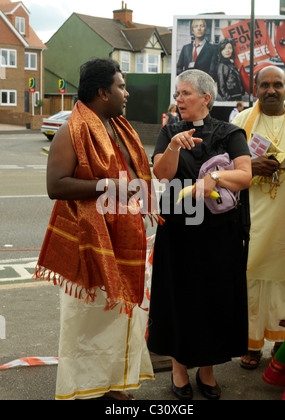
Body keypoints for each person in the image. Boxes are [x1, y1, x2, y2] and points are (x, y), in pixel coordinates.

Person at [34, 58, 158, 400]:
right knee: (87, 321)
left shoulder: (118, 127)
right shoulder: (70, 131)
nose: (126, 93)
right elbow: (56, 186)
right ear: (103, 92)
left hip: (124, 236)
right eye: (121, 86)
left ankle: (113, 384)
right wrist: (111, 187)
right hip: (88, 242)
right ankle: (89, 389)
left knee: (121, 316)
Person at [147, 69, 252, 400]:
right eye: (177, 94)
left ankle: (207, 371)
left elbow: (245, 176)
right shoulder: (169, 131)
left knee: (214, 301)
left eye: (185, 93)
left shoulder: (230, 132)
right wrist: (175, 147)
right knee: (178, 301)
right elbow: (161, 173)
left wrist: (216, 178)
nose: (178, 99)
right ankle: (179, 371)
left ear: (206, 98)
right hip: (178, 232)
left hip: (220, 235)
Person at [232, 66, 285, 369]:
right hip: (252, 218)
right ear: (255, 88)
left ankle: (280, 344)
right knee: (251, 279)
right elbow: (219, 165)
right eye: (265, 85)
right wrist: (250, 166)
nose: (271, 90)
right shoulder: (240, 122)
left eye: (277, 85)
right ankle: (251, 344)